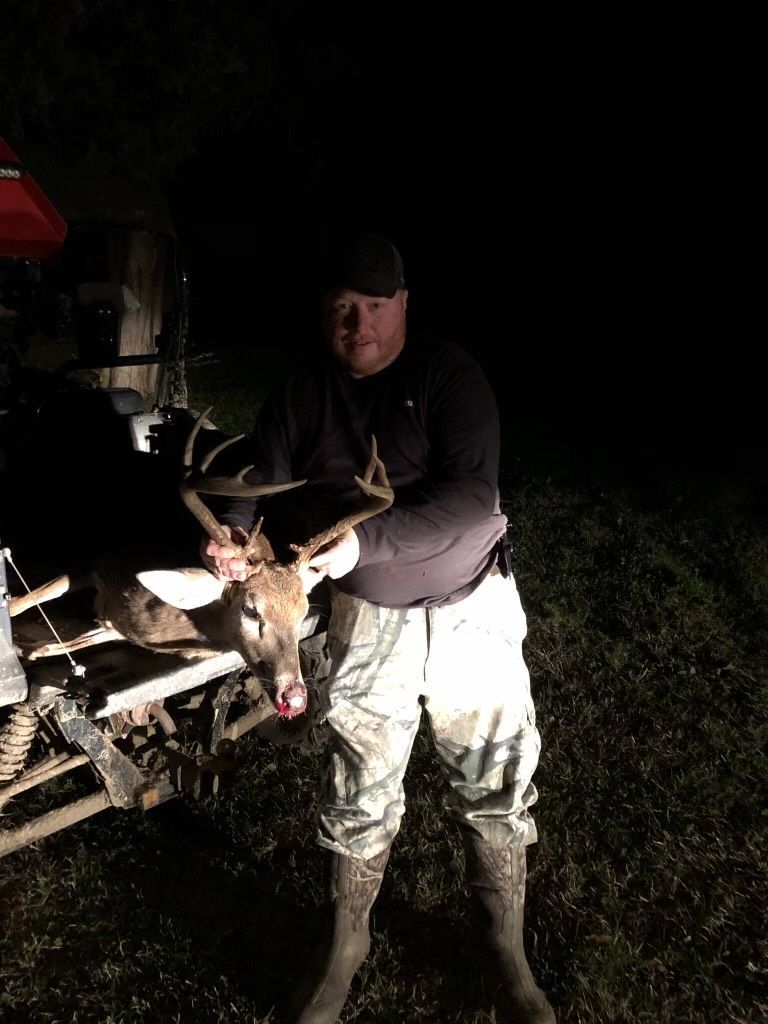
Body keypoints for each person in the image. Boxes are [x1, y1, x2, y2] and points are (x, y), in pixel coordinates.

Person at [201, 230, 556, 1024]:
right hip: (367, 615)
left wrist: (365, 540)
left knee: (495, 771)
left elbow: (474, 496)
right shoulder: (303, 390)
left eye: (371, 305)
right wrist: (230, 527)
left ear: (402, 303)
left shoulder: (447, 375)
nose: (355, 324)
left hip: (469, 604)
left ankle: (506, 950)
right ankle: (345, 951)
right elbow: (257, 470)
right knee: (359, 775)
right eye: (338, 308)